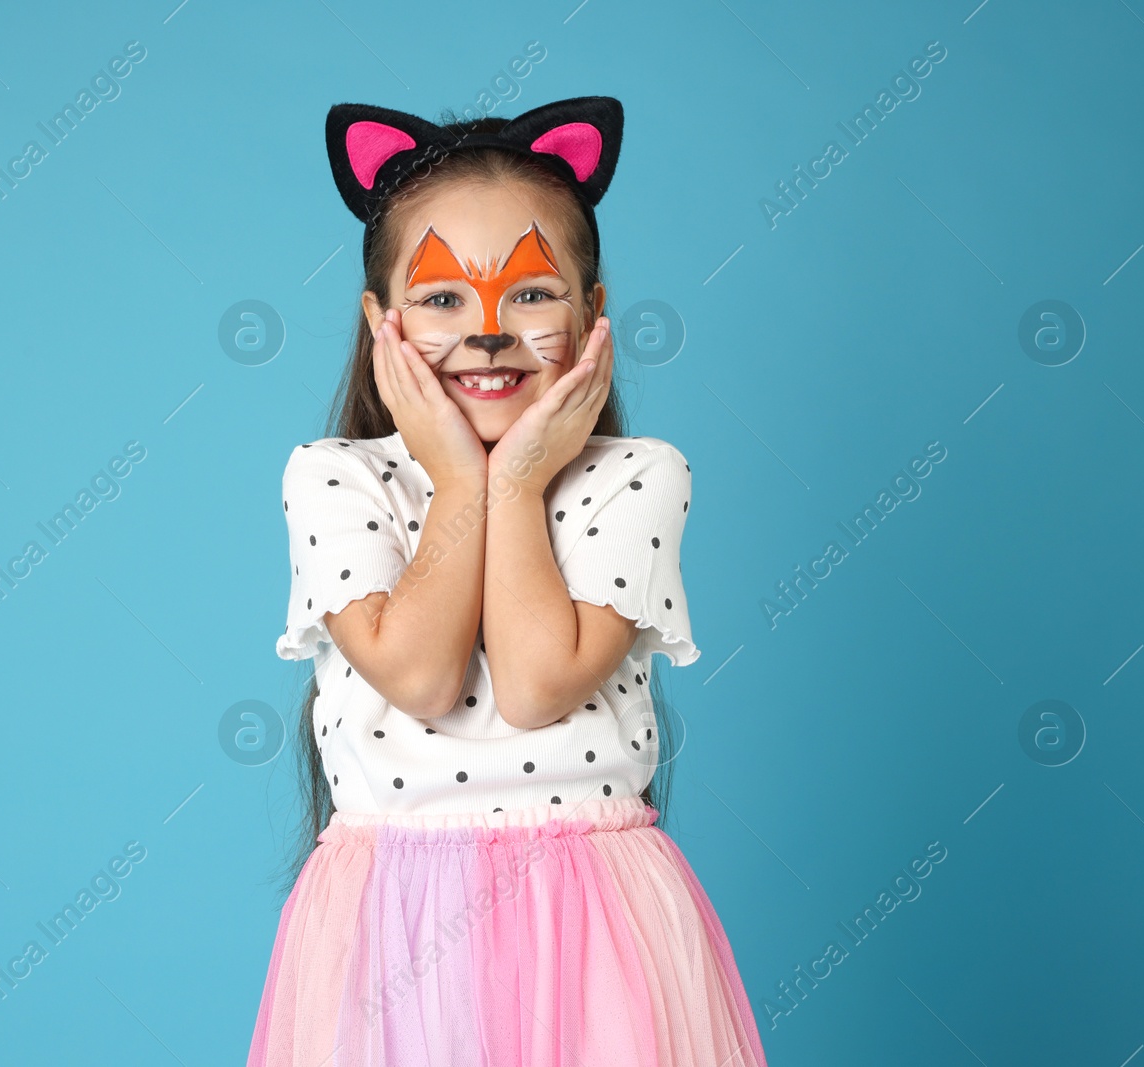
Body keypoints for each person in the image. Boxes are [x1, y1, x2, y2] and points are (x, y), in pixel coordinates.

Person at [247, 96, 769, 1066]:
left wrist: (518, 478)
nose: (486, 330)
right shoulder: (334, 478)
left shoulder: (638, 476)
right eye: (442, 298)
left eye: (531, 294)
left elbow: (536, 683)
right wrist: (459, 481)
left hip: (595, 918)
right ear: (381, 322)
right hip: (391, 927)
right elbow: (420, 676)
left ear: (591, 312)